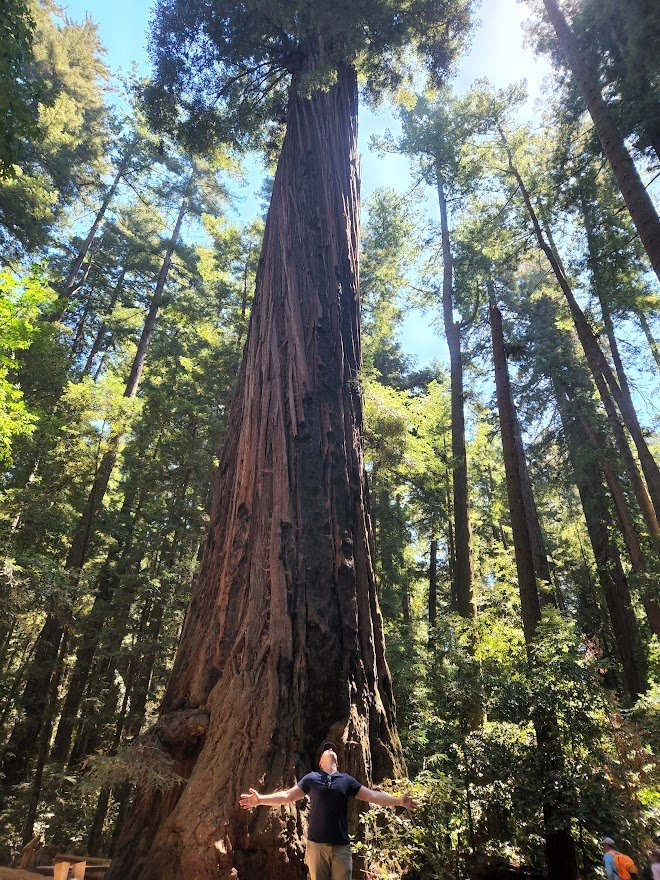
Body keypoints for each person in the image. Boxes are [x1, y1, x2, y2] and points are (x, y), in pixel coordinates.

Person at [239, 741, 418, 880]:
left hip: (341, 847)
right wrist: (260, 800)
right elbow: (287, 796)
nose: (331, 750)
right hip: (316, 846)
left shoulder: (346, 780)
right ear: (320, 762)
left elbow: (372, 796)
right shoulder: (312, 778)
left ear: (337, 762)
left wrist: (399, 801)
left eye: (333, 750)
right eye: (327, 750)